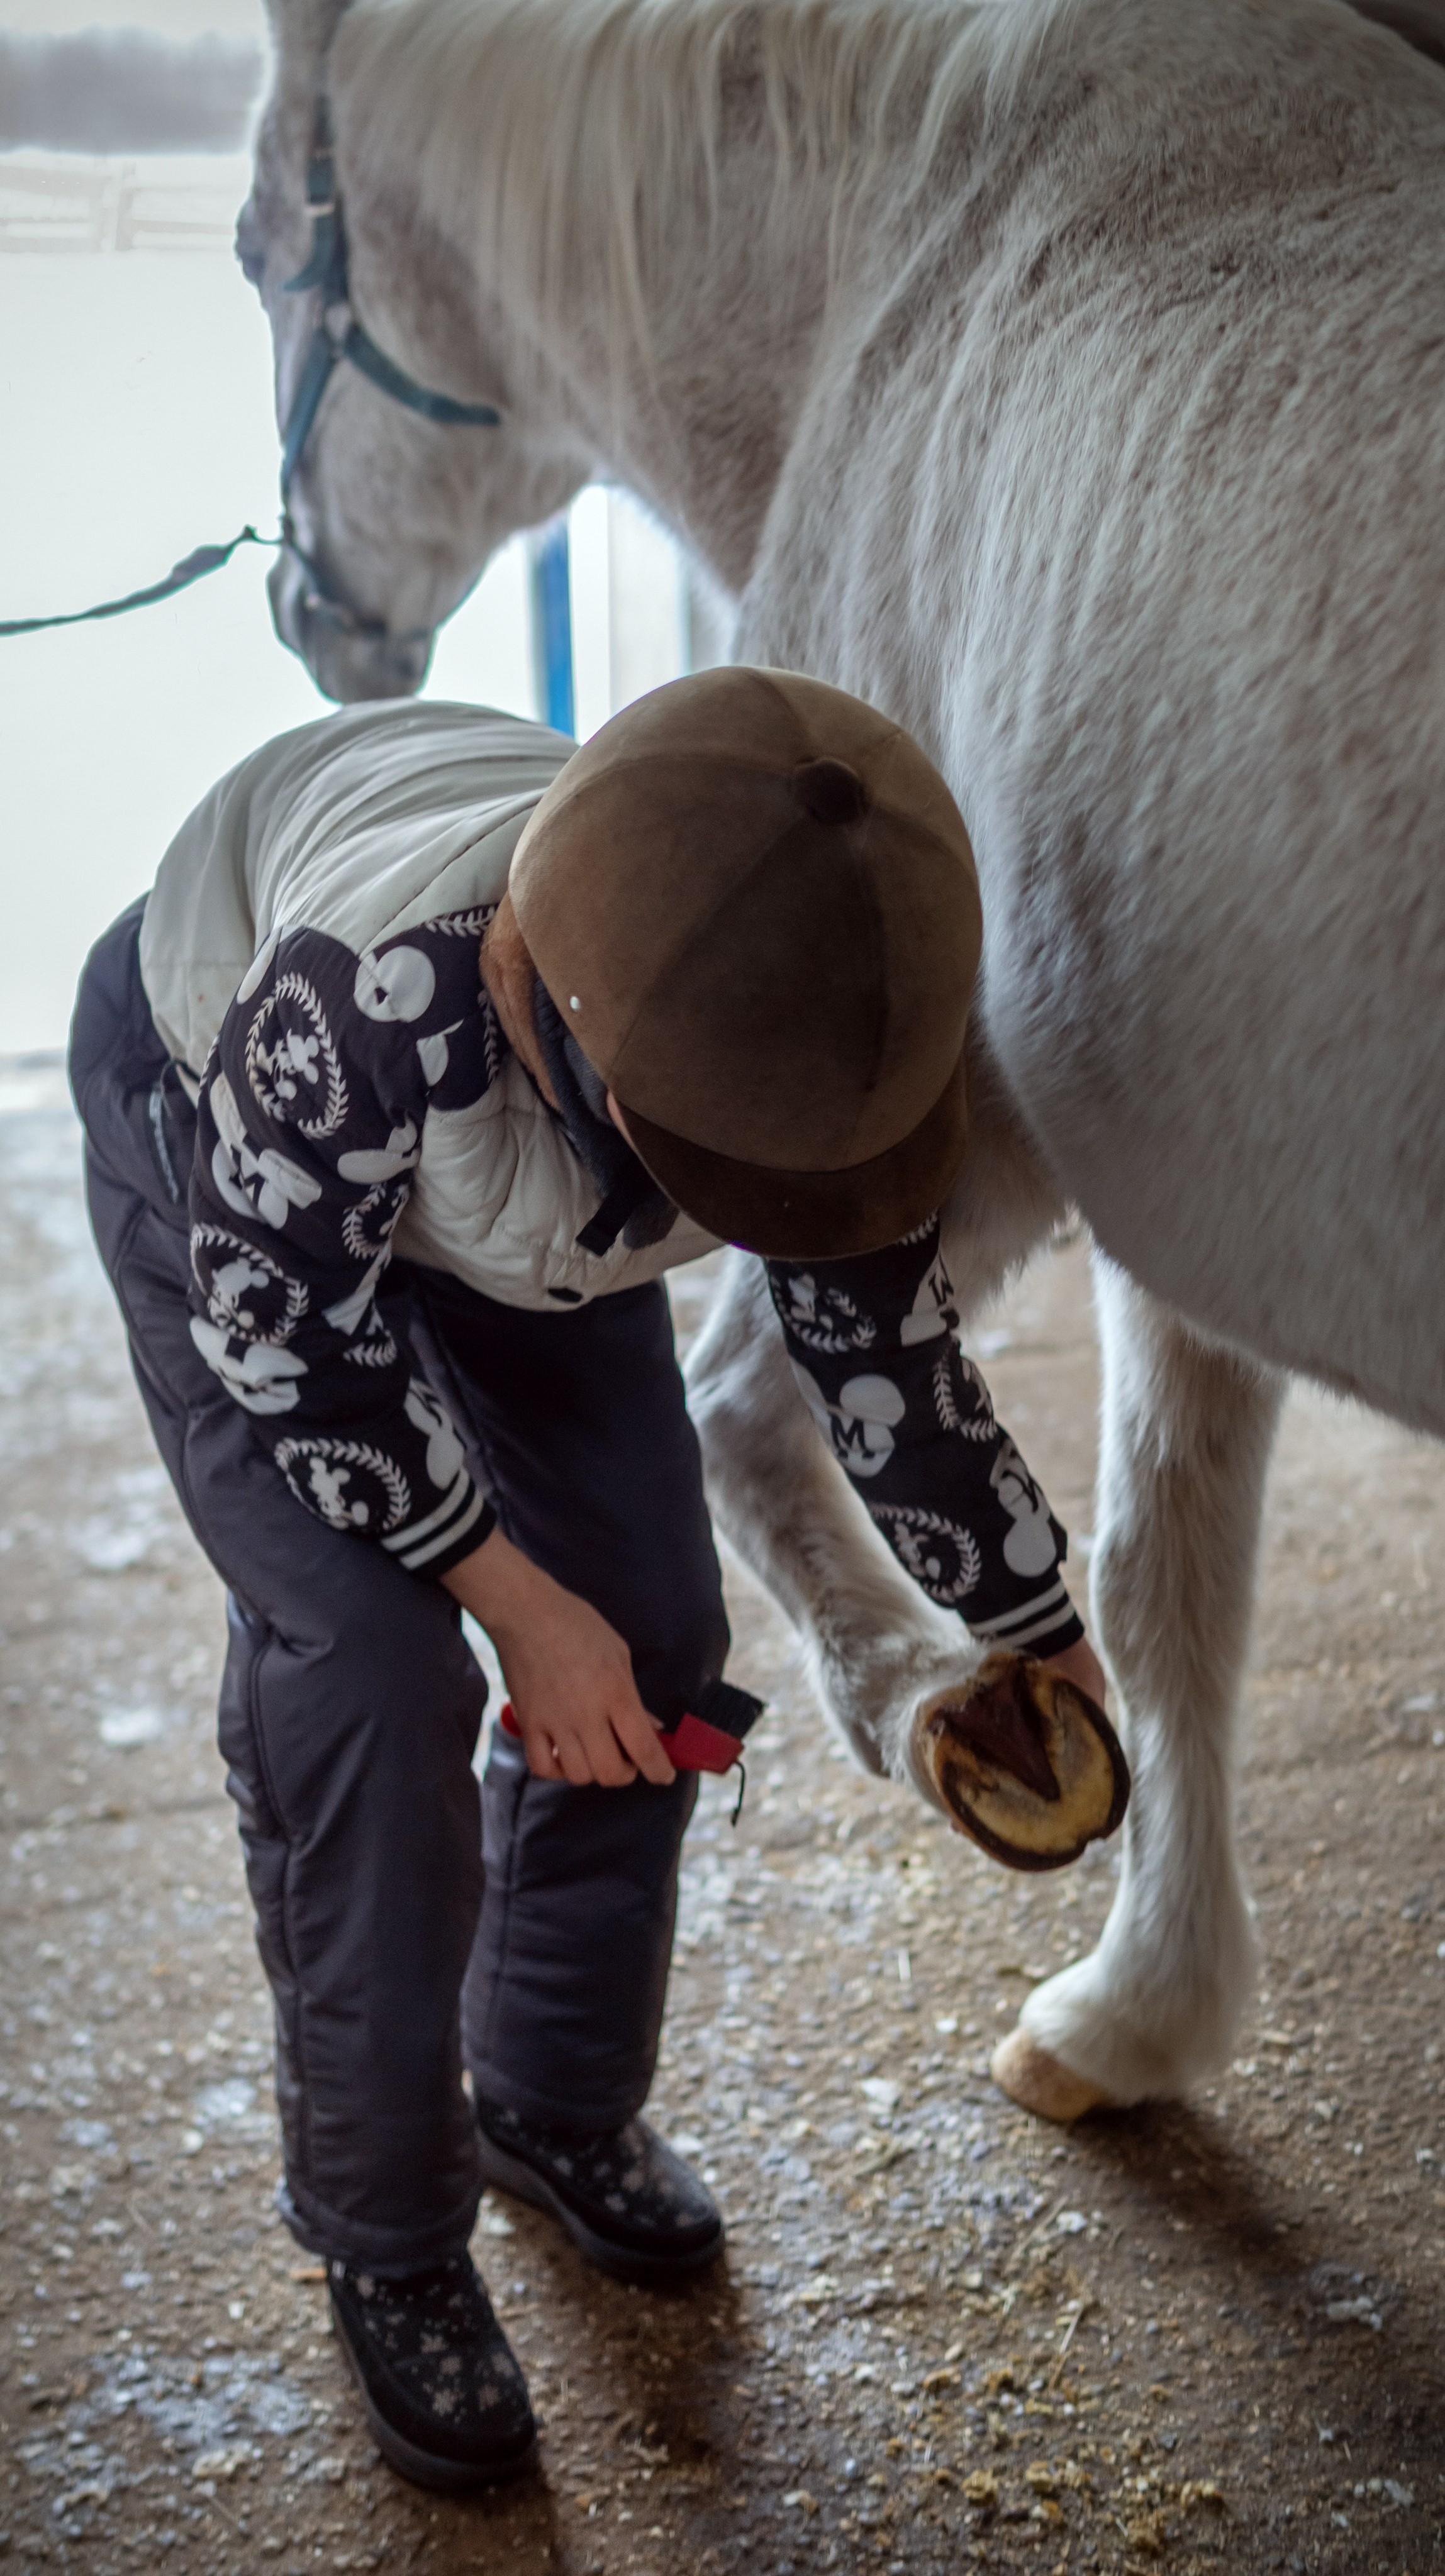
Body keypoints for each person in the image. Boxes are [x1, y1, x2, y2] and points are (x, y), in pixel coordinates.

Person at [69, 665, 1105, 2493]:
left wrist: (1041, 1629)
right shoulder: (360, 996)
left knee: (657, 1629)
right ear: (572, 1032)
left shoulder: (815, 1017)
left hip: (521, 1205)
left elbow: (891, 1371)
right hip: (238, 1160)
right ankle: (387, 2235)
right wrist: (511, 1609)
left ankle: (548, 2095)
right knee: (374, 1680)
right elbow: (291, 1339)